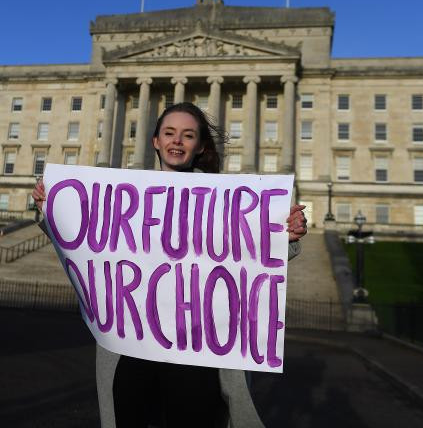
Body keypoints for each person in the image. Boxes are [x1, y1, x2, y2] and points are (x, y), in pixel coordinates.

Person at [32, 102, 307, 428]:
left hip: (196, 351)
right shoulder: (121, 194)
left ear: (200, 146)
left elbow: (249, 255)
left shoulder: (222, 199)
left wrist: (285, 234)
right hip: (133, 348)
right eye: (169, 133)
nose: (177, 141)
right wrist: (52, 207)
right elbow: (87, 241)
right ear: (156, 141)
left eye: (188, 135)